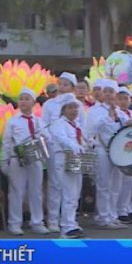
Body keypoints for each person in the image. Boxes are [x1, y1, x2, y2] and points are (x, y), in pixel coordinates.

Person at [1, 88, 50, 236]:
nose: (23, 101)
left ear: (33, 102)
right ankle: (15, 223)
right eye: (21, 98)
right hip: (18, 159)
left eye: (27, 98)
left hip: (35, 158)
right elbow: (7, 142)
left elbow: (48, 138)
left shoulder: (39, 121)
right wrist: (5, 160)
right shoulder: (13, 121)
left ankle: (37, 222)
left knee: (36, 191)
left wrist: (41, 136)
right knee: (17, 191)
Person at [86, 79, 126, 230]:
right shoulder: (94, 110)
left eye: (111, 92)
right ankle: (103, 216)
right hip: (102, 150)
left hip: (118, 151)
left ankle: (113, 215)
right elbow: (91, 130)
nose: (109, 95)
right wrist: (107, 117)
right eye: (106, 91)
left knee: (116, 185)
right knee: (104, 185)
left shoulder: (119, 111)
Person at [41, 72, 77, 232]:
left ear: (72, 87)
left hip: (73, 150)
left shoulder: (77, 105)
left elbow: (80, 125)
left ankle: (69, 220)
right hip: (55, 148)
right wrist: (51, 140)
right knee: (55, 184)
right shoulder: (49, 104)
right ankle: (53, 219)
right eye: (60, 83)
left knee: (73, 187)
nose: (62, 87)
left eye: (66, 84)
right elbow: (44, 125)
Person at [49, 99, 88, 238]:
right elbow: (62, 139)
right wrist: (75, 146)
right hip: (65, 159)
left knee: (75, 194)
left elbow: (83, 139)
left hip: (77, 159)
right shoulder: (59, 124)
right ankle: (66, 227)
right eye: (70, 108)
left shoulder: (76, 125)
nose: (74, 111)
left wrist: (88, 144)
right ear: (63, 109)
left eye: (76, 108)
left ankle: (71, 222)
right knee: (69, 193)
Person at [115, 86, 132, 224]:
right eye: (121, 99)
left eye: (126, 99)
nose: (123, 102)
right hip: (121, 149)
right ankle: (120, 210)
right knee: (121, 181)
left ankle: (127, 208)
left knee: (130, 181)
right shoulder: (117, 114)